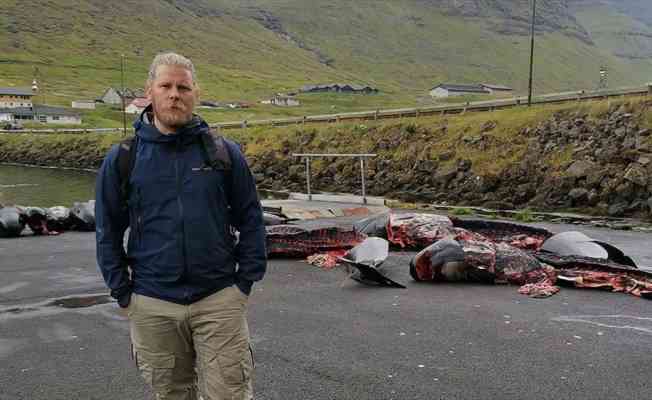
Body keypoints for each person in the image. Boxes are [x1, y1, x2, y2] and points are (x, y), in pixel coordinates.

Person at [95, 52, 266, 400]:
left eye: (183, 87)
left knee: (229, 394)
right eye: (166, 86)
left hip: (218, 299)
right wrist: (124, 294)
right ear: (150, 92)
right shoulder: (124, 158)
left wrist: (244, 282)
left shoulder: (223, 153)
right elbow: (107, 230)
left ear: (195, 94)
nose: (175, 94)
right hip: (152, 302)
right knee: (171, 394)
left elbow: (250, 217)